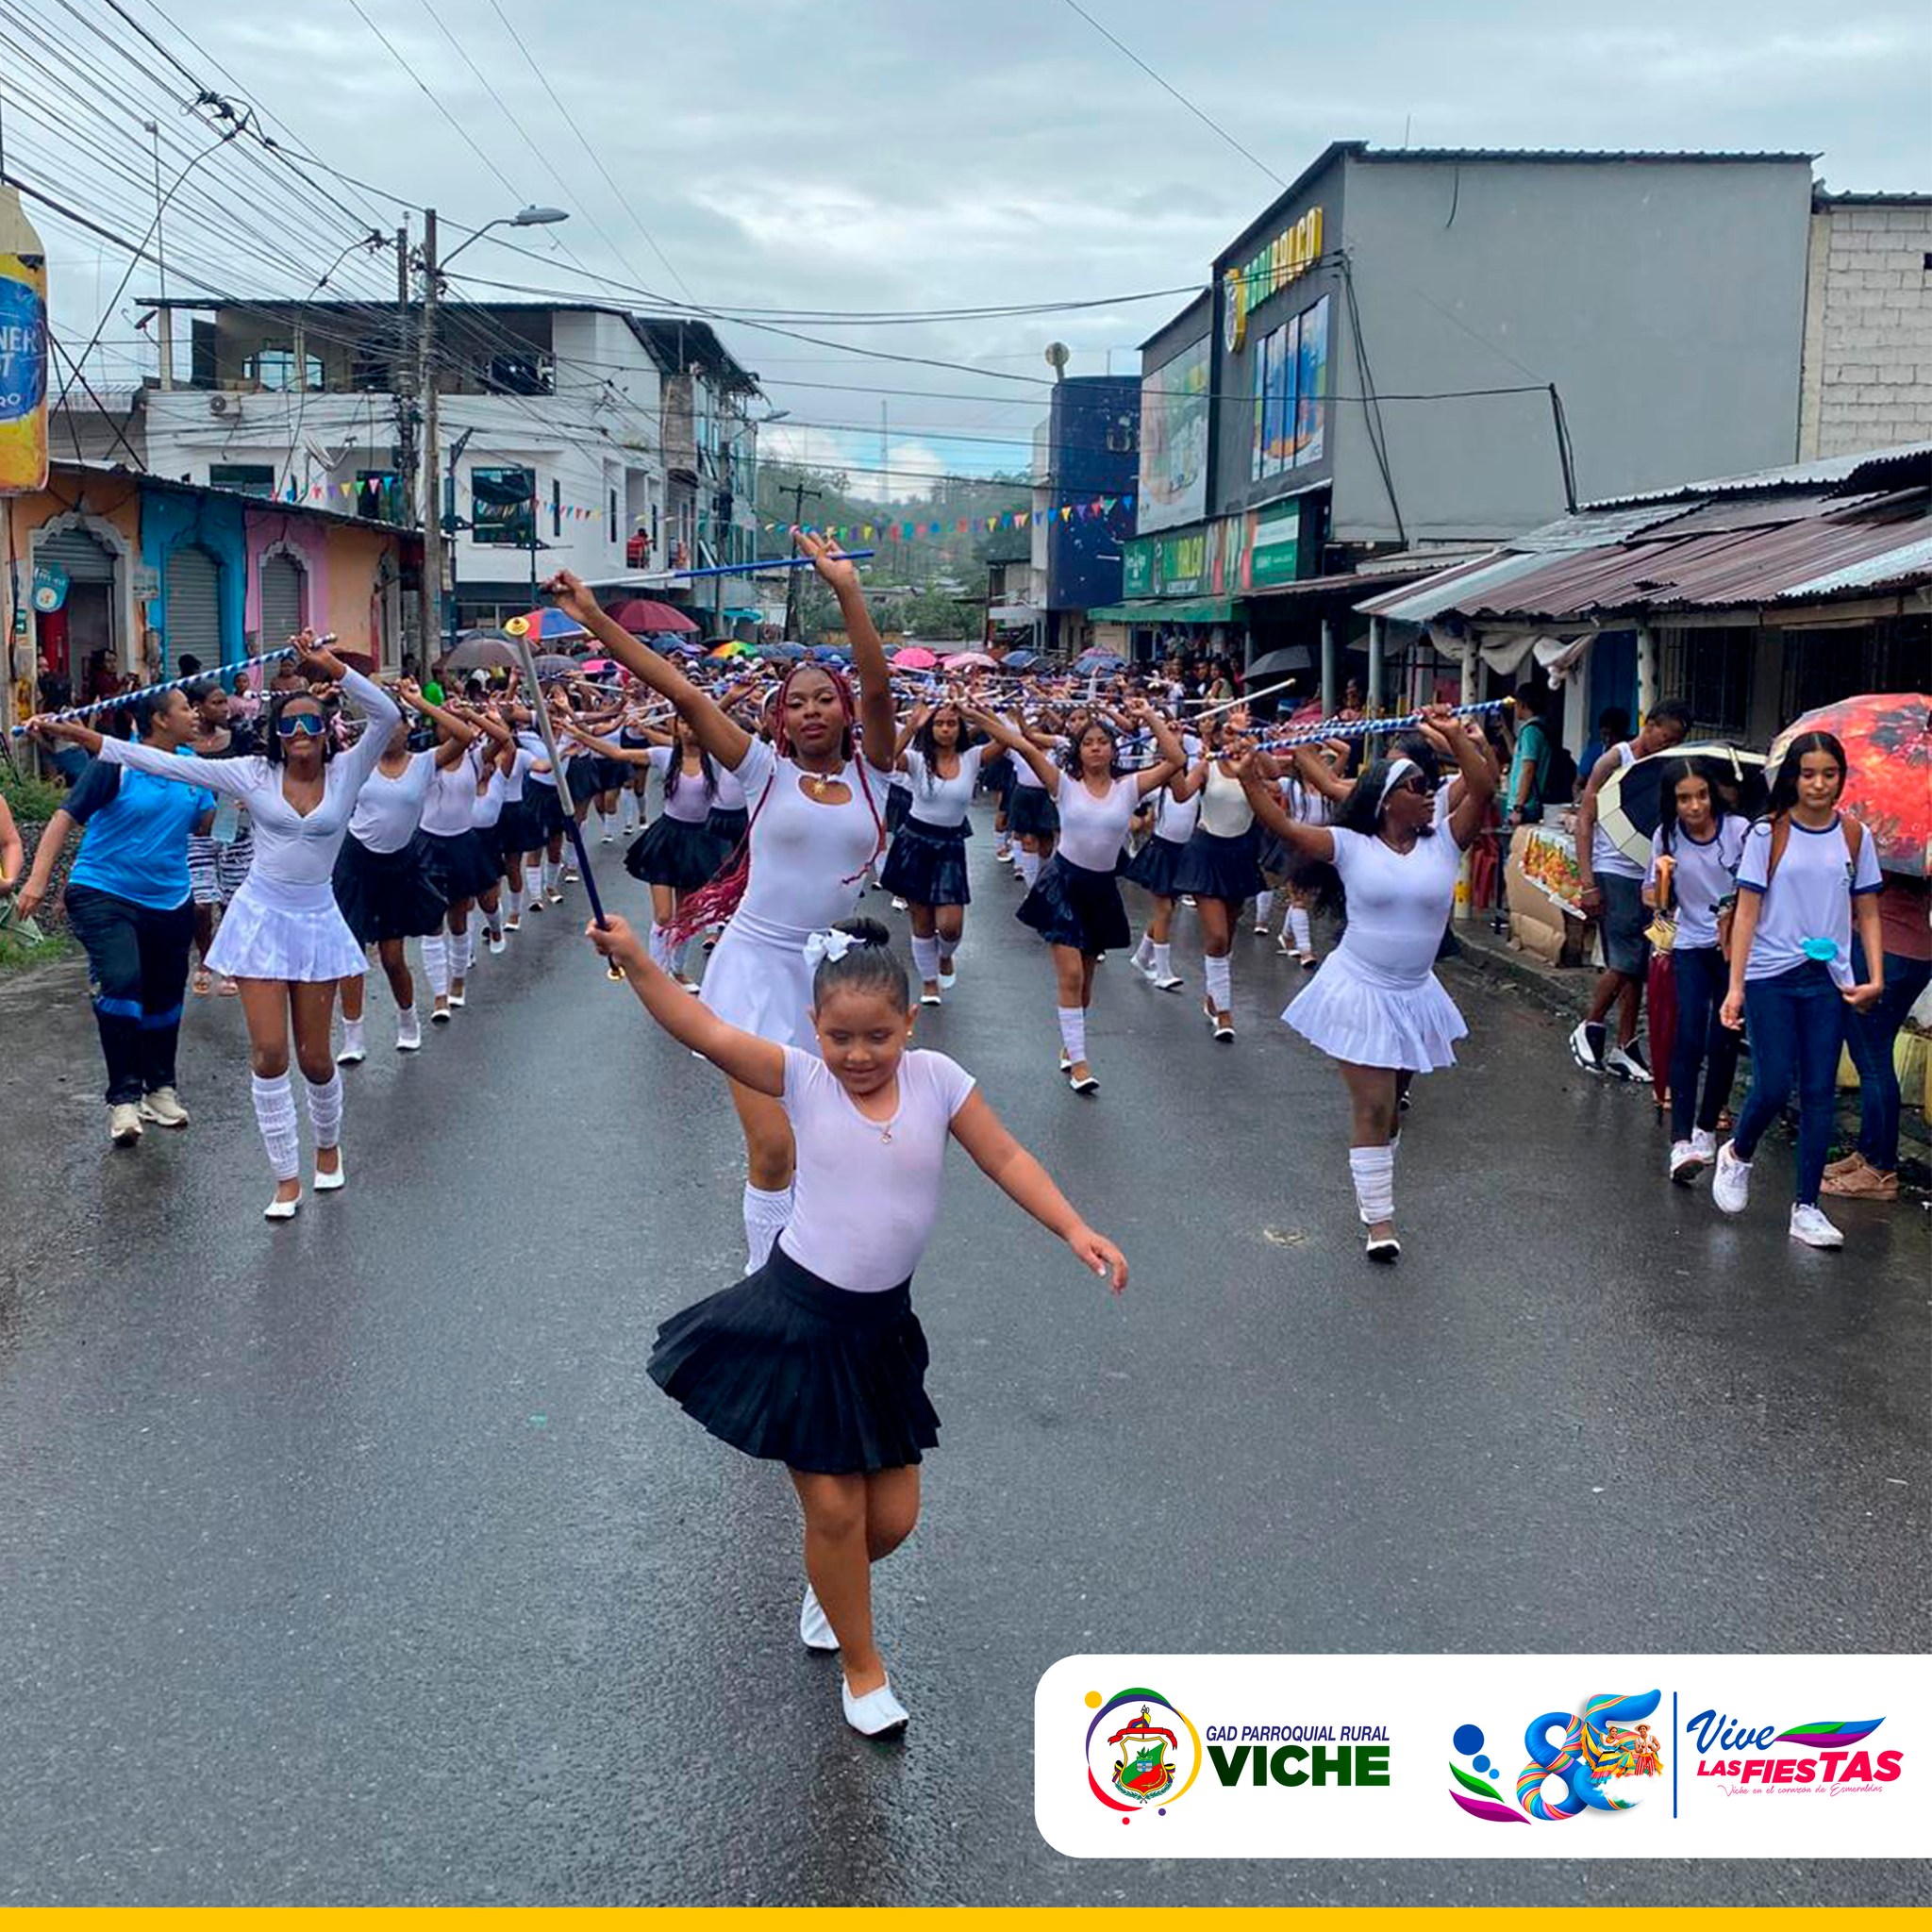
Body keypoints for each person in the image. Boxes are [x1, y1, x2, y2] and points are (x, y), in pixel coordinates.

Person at [590, 911, 1125, 1737]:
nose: (859, 1055)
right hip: (800, 1321)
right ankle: (863, 1668)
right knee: (836, 1511)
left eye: (878, 1036)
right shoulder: (803, 1081)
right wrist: (636, 960)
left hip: (881, 1333)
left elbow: (1006, 1157)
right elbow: (701, 1029)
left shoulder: (939, 1081)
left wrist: (1073, 1227)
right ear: (815, 1027)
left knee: (891, 1522)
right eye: (840, 1037)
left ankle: (830, 1581)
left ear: (909, 1023)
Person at [543, 536, 897, 1274]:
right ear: (779, 719)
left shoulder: (877, 775)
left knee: (823, 1144)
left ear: (843, 712)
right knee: (772, 1147)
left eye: (823, 700)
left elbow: (877, 687)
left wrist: (847, 590)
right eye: (795, 702)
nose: (811, 711)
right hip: (755, 967)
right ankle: (763, 1281)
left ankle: (811, 1265)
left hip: (833, 980)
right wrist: (594, 619)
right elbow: (684, 693)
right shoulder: (764, 772)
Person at [29, 636, 401, 1218]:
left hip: (315, 920)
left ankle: (328, 1149)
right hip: (260, 918)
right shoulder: (252, 773)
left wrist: (331, 667)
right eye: (288, 726)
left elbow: (388, 715)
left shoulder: (349, 770)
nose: (300, 733)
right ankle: (285, 1179)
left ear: (326, 729)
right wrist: (83, 737)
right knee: (270, 1054)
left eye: (310, 723)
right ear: (275, 734)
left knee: (315, 1059)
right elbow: (162, 761)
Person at [1239, 707, 1496, 1261]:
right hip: (1360, 988)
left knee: (1393, 1107)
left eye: (1431, 784)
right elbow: (1284, 826)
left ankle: (1375, 1171)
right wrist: (1248, 779)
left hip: (1416, 992)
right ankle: (1379, 1220)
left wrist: (1457, 737)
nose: (1430, 793)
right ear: (1386, 800)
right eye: (1417, 787)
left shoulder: (1445, 840)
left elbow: (1484, 787)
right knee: (1374, 1107)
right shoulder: (1350, 845)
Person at [18, 687, 213, 1145]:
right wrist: (37, 881)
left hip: (170, 897)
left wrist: (233, 806)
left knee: (165, 994)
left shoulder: (193, 767)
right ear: (159, 719)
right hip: (104, 890)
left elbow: (204, 825)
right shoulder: (116, 762)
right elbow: (64, 818)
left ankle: (160, 1089)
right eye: (185, 708)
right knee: (123, 981)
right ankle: (124, 1098)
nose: (195, 714)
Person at [1714, 731, 1884, 1248]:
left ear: (1841, 778)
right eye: (1808, 774)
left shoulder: (1854, 835)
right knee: (1771, 1085)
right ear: (1792, 777)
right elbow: (1747, 913)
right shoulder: (1768, 834)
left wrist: (1874, 977)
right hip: (1770, 975)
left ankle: (1806, 1206)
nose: (1819, 784)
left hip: (1828, 979)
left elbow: (1868, 911)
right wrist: (1736, 988)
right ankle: (1738, 1152)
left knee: (1818, 1092)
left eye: (1829, 774)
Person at [975, 701, 1185, 1092]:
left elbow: (1176, 760)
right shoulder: (1063, 785)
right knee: (1070, 975)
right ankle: (1080, 1064)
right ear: (1078, 749)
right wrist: (977, 717)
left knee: (1085, 984)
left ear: (1113, 749)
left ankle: (1070, 1046)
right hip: (1063, 884)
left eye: (1103, 742)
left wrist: (1149, 716)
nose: (1096, 748)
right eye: (1088, 743)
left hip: (1100, 889)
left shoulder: (1129, 787)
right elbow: (1021, 744)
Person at [331, 682, 478, 1061]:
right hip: (356, 860)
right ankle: (353, 1037)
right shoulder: (357, 761)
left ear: (408, 727)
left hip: (399, 863)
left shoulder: (425, 763)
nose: (387, 731)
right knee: (351, 951)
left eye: (394, 723)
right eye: (379, 724)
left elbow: (464, 735)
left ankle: (407, 1020)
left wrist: (417, 701)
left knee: (393, 956)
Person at [1569, 700, 1692, 1080]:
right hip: (1613, 868)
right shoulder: (1614, 759)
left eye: (1676, 742)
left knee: (1641, 962)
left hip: (1649, 873)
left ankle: (1625, 1044)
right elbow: (1585, 820)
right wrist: (1588, 882)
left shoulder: (1667, 767)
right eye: (1665, 737)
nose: (1667, 746)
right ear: (1648, 725)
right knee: (1625, 959)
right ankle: (1590, 1025)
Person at [1643, 760, 1748, 1184]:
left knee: (1725, 1038)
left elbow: (1756, 889)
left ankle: (1707, 1125)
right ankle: (1681, 1140)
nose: (1695, 806)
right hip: (1688, 943)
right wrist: (1662, 881)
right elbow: (1653, 899)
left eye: (1701, 795)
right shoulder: (1665, 836)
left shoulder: (1739, 832)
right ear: (1672, 802)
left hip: (1733, 947)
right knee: (1688, 1033)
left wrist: (1733, 911)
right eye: (1684, 798)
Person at [880, 699, 996, 1005]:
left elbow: (1009, 742)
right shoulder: (917, 760)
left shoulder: (972, 757)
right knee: (921, 920)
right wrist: (911, 727)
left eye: (951, 723)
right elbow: (884, 761)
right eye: (939, 724)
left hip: (950, 845)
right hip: (915, 841)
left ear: (960, 728)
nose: (945, 729)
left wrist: (977, 714)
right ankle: (929, 983)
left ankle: (945, 956)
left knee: (950, 926)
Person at [1825, 873, 1931, 1203]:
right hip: (1915, 951)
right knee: (1874, 1055)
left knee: (1872, 1059)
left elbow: (1858, 883)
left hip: (1883, 948)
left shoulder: (1896, 846)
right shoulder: (1920, 850)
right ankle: (1867, 1154)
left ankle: (1880, 1169)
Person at [1168, 713, 1268, 1042]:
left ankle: (1214, 995)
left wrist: (1253, 744)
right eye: (1230, 731)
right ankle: (1224, 1012)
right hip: (1206, 853)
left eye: (1241, 732)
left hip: (1240, 854)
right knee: (1217, 936)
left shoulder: (1253, 765)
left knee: (1229, 934)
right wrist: (1173, 756)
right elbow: (1181, 793)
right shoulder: (1207, 765)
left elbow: (1275, 773)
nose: (1235, 737)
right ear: (1219, 736)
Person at [184, 679, 257, 997]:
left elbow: (255, 772)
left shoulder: (239, 736)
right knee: (201, 905)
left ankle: (230, 964)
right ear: (197, 708)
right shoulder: (185, 746)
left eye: (225, 702)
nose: (225, 708)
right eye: (217, 703)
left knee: (232, 902)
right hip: (197, 831)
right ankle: (205, 959)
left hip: (235, 829)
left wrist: (249, 799)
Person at [1502, 682, 1552, 826]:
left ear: (1523, 704)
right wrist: (1505, 730)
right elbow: (1517, 756)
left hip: (1525, 806)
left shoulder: (1531, 732)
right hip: (1524, 804)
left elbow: (1528, 769)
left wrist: (1518, 807)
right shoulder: (1536, 729)